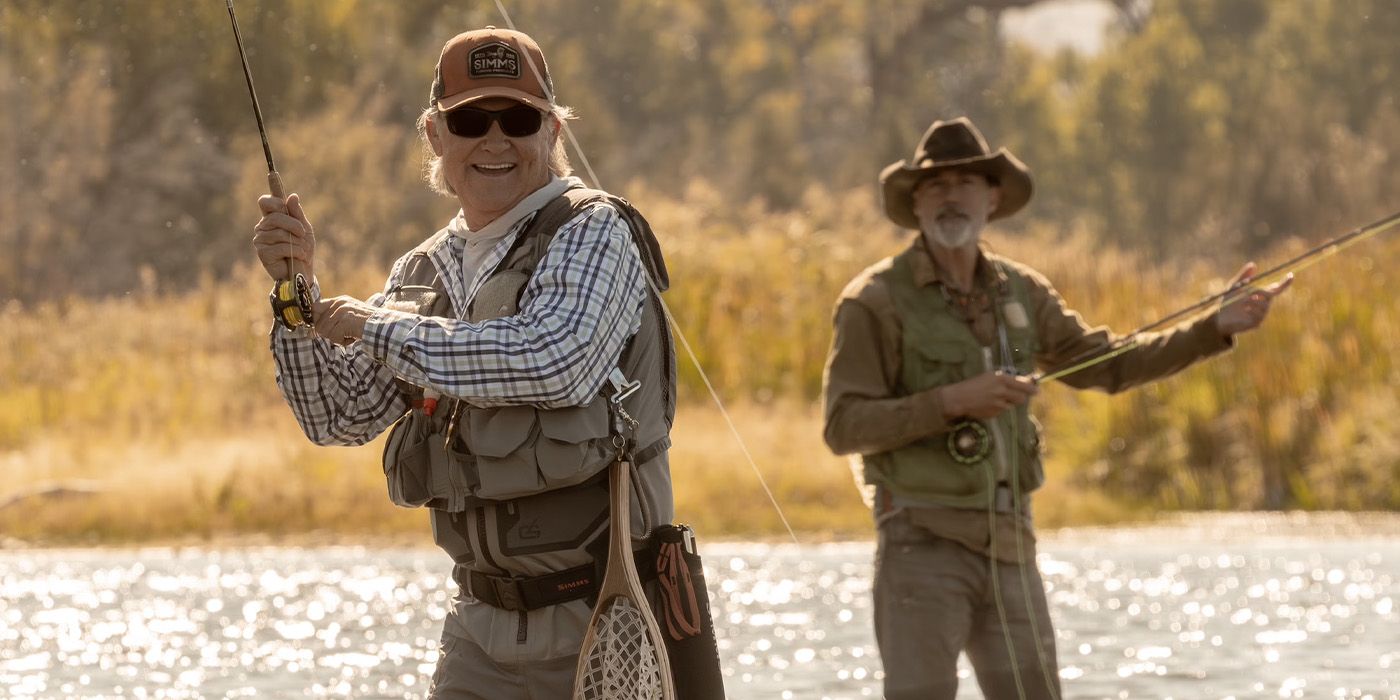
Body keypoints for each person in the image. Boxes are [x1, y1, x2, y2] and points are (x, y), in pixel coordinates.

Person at [252, 27, 685, 698]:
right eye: (469, 120)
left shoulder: (595, 231)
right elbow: (336, 417)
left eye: (518, 119)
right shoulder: (420, 270)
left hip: (611, 616)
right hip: (477, 630)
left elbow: (551, 362)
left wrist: (375, 326)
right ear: (434, 134)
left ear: (553, 130)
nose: (494, 140)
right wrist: (294, 294)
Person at [820, 117, 1290, 700]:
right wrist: (952, 401)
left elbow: (1110, 364)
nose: (950, 195)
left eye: (966, 182)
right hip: (920, 546)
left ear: (992, 199)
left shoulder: (1022, 292)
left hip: (1012, 545)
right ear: (915, 203)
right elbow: (843, 428)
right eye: (934, 185)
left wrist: (1212, 327)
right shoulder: (874, 301)